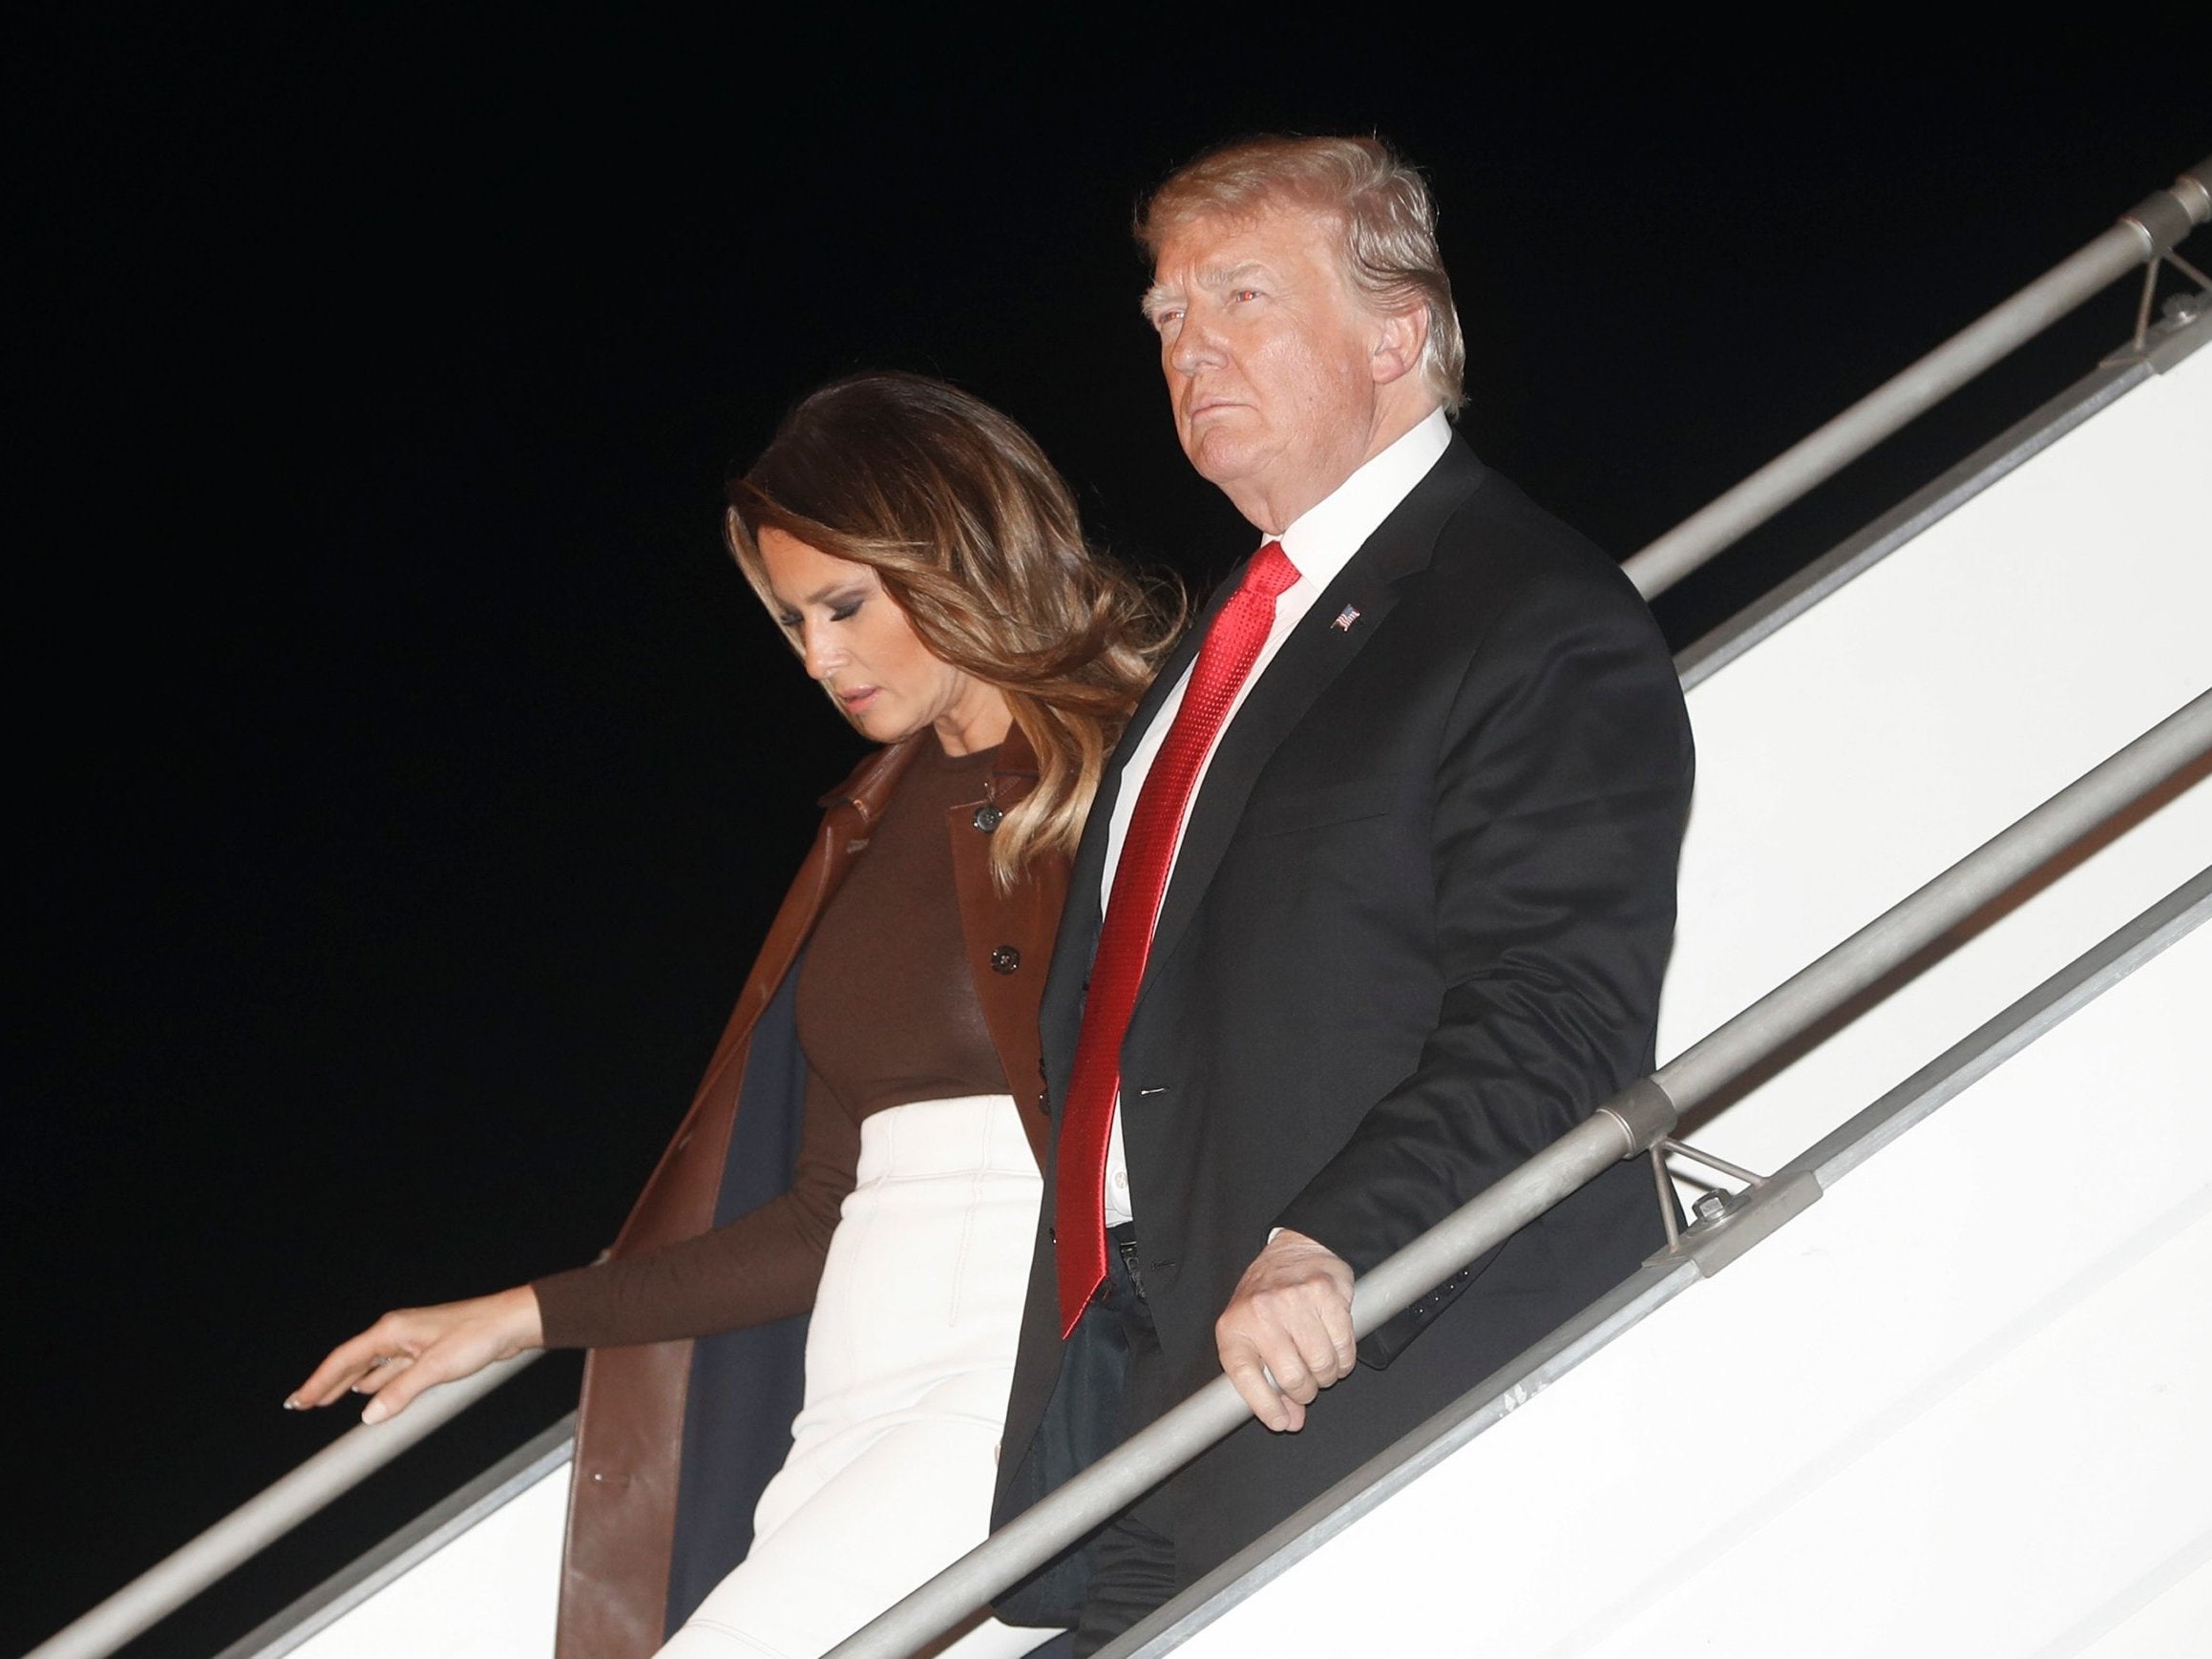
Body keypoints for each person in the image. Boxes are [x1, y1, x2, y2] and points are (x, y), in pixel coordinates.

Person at [290, 371, 1176, 1659]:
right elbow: (822, 1211)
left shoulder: (1137, 762)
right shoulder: (863, 829)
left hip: (1014, 1365)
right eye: (791, 620)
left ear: (953, 548)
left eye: (843, 604)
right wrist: (519, 1314)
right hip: (850, 1393)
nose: (817, 657)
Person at [989, 136, 1696, 1651]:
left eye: (1241, 294)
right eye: (1166, 314)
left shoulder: (1528, 613)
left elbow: (1557, 1012)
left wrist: (1333, 1244)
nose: (1189, 344)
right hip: (1148, 1384)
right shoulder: (1213, 653)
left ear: (1398, 332)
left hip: (1364, 1368)